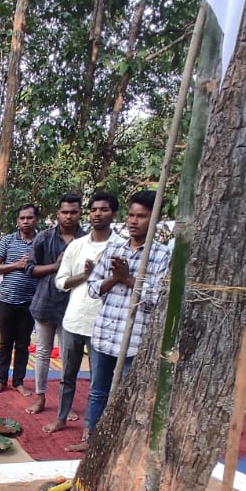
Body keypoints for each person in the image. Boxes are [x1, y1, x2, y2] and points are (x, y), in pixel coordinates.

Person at [80, 189, 172, 445]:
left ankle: (116, 442)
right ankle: (90, 437)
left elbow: (156, 300)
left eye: (141, 216)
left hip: (133, 340)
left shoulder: (161, 255)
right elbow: (92, 288)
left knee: (125, 393)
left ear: (155, 219)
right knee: (97, 390)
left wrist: (129, 279)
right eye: (131, 215)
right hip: (104, 334)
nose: (133, 221)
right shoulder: (114, 248)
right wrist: (114, 278)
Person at [44, 192, 122, 438]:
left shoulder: (120, 247)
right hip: (73, 320)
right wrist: (85, 276)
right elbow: (60, 282)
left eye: (104, 209)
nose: (98, 214)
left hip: (103, 324)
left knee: (98, 381)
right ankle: (61, 418)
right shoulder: (76, 246)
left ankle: (91, 428)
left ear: (114, 214)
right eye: (94, 209)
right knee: (67, 376)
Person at [26, 194, 84, 415]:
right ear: (58, 214)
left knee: (68, 356)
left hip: (73, 306)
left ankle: (64, 404)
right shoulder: (44, 237)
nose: (68, 216)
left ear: (80, 213)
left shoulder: (86, 240)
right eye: (64, 212)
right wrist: (56, 266)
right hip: (45, 302)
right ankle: (40, 398)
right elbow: (30, 269)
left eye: (73, 212)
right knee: (42, 352)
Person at [0, 203, 40, 395]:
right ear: (17, 221)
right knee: (5, 343)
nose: (26, 221)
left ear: (36, 220)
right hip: (7, 300)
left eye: (29, 218)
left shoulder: (41, 241)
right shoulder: (8, 241)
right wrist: (17, 265)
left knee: (23, 344)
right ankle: (1, 380)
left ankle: (18, 381)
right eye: (22, 218)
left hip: (30, 302)